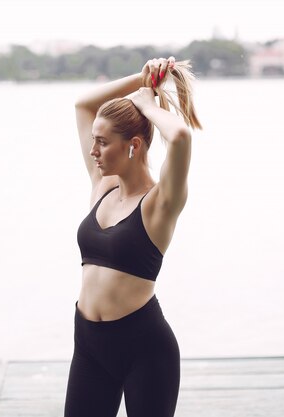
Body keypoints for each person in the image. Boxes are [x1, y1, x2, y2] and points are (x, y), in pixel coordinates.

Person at [64, 56, 202, 417]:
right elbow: (83, 104)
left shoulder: (160, 204)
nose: (92, 151)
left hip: (145, 351)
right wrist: (143, 78)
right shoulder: (103, 187)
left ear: (134, 145)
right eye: (93, 140)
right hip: (89, 346)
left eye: (102, 142)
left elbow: (181, 136)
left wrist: (146, 103)